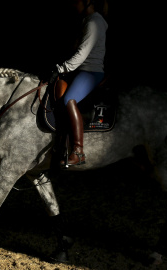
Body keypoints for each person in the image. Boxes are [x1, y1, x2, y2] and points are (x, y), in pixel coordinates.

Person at [45, 0, 108, 167]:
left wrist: (62, 68)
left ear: (88, 2)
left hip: (91, 72)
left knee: (69, 100)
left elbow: (82, 53)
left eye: (77, 1)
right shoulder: (87, 21)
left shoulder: (94, 22)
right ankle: (59, 143)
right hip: (80, 70)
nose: (74, 4)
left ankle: (78, 151)